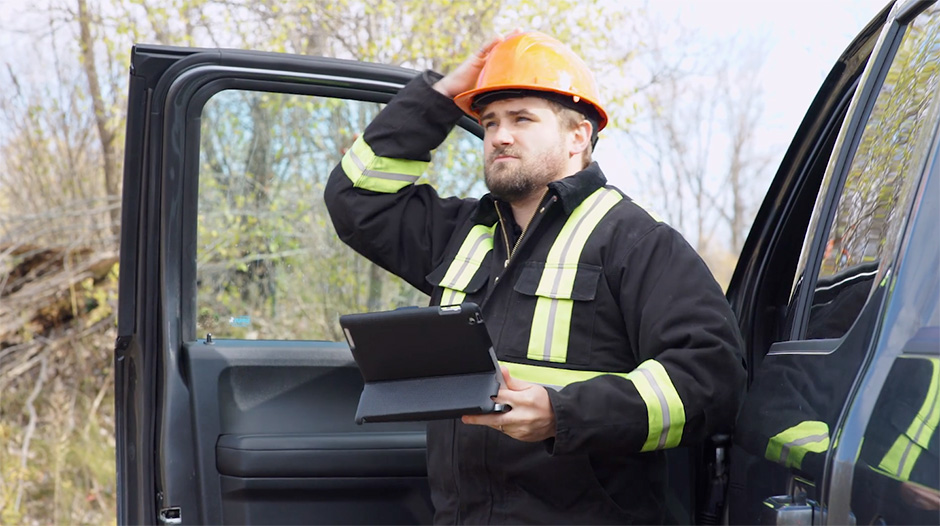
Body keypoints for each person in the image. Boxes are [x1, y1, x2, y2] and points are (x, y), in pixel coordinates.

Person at [325, 30, 746, 524]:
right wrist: (438, 96)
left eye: (522, 119)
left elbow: (711, 377)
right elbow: (357, 199)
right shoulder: (464, 232)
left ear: (578, 137)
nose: (499, 136)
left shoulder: (636, 242)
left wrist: (562, 414)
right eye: (489, 122)